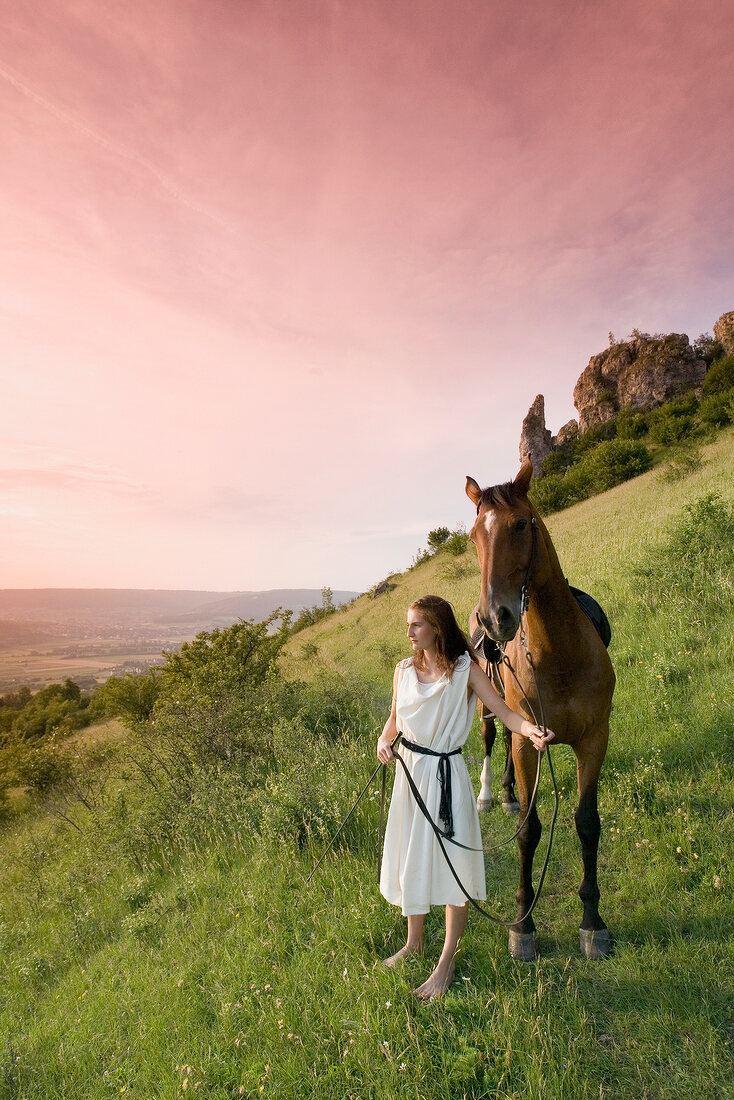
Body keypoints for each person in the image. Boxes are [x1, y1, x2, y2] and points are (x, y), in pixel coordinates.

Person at [376, 595, 554, 1000]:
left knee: (454, 865)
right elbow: (393, 721)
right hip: (409, 777)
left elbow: (504, 712)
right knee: (411, 856)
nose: (408, 634)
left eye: (415, 626)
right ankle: (414, 942)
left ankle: (446, 962)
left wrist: (529, 731)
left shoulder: (465, 671)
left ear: (436, 628)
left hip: (446, 778)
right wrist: (384, 743)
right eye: (408, 625)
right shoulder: (402, 670)